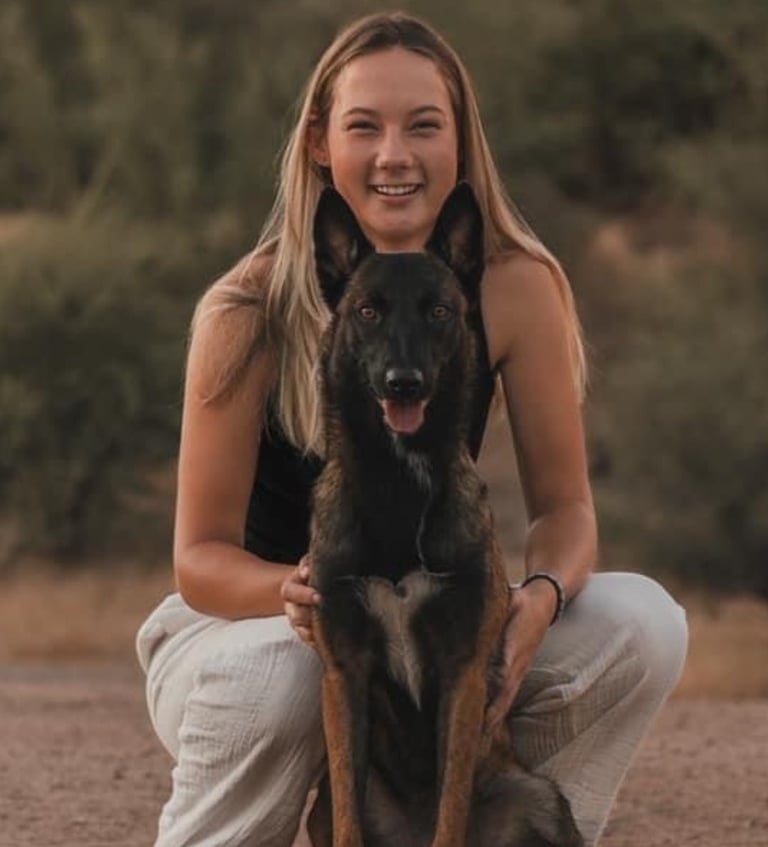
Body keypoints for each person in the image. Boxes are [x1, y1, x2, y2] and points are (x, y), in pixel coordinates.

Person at [136, 11, 688, 847]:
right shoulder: (246, 307)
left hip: (430, 637)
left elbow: (565, 511)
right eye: (365, 127)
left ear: (461, 144)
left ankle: (503, 831)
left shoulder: (511, 284)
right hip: (247, 633)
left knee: (644, 621)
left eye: (423, 125)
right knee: (297, 669)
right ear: (322, 143)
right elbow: (197, 561)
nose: (395, 154)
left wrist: (539, 599)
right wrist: (301, 592)